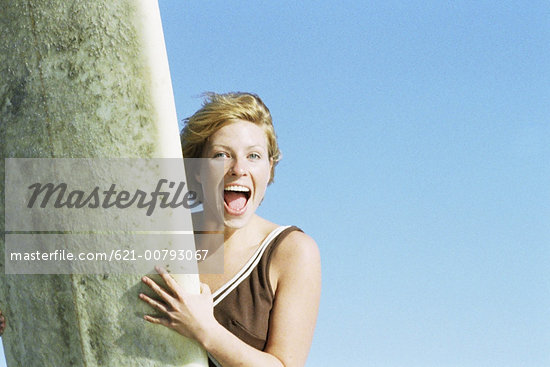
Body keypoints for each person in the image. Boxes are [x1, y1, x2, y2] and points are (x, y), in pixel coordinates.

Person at [139, 92, 321, 367]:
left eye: (254, 156)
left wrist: (204, 330)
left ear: (269, 169)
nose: (239, 169)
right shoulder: (163, 233)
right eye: (222, 155)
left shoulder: (293, 252)